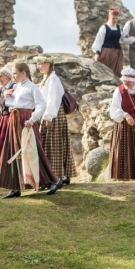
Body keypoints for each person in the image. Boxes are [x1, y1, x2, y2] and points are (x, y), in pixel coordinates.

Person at [0, 63, 61, 199]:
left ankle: (52, 181)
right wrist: (7, 95)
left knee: (32, 151)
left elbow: (41, 105)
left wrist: (32, 119)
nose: (13, 76)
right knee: (13, 151)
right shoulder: (18, 87)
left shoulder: (32, 87)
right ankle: (15, 188)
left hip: (25, 121)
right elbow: (14, 103)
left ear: (23, 73)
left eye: (15, 73)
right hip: (14, 120)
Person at [35, 54, 77, 185]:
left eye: (42, 63)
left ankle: (58, 175)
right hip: (49, 114)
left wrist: (47, 117)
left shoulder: (53, 79)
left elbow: (52, 100)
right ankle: (58, 175)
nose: (39, 66)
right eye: (38, 64)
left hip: (53, 116)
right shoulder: (46, 79)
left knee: (55, 145)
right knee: (50, 145)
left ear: (48, 64)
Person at [108, 69, 135, 180]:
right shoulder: (119, 90)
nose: (126, 83)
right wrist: (125, 115)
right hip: (124, 124)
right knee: (124, 148)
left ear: (134, 80)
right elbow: (114, 108)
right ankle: (124, 175)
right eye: (124, 80)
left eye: (128, 81)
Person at [91, 8, 129, 77]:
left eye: (116, 18)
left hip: (117, 53)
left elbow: (121, 36)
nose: (115, 20)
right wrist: (97, 53)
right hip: (106, 53)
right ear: (109, 17)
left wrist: (126, 36)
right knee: (106, 71)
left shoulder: (118, 27)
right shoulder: (104, 28)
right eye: (113, 18)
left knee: (117, 73)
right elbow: (98, 41)